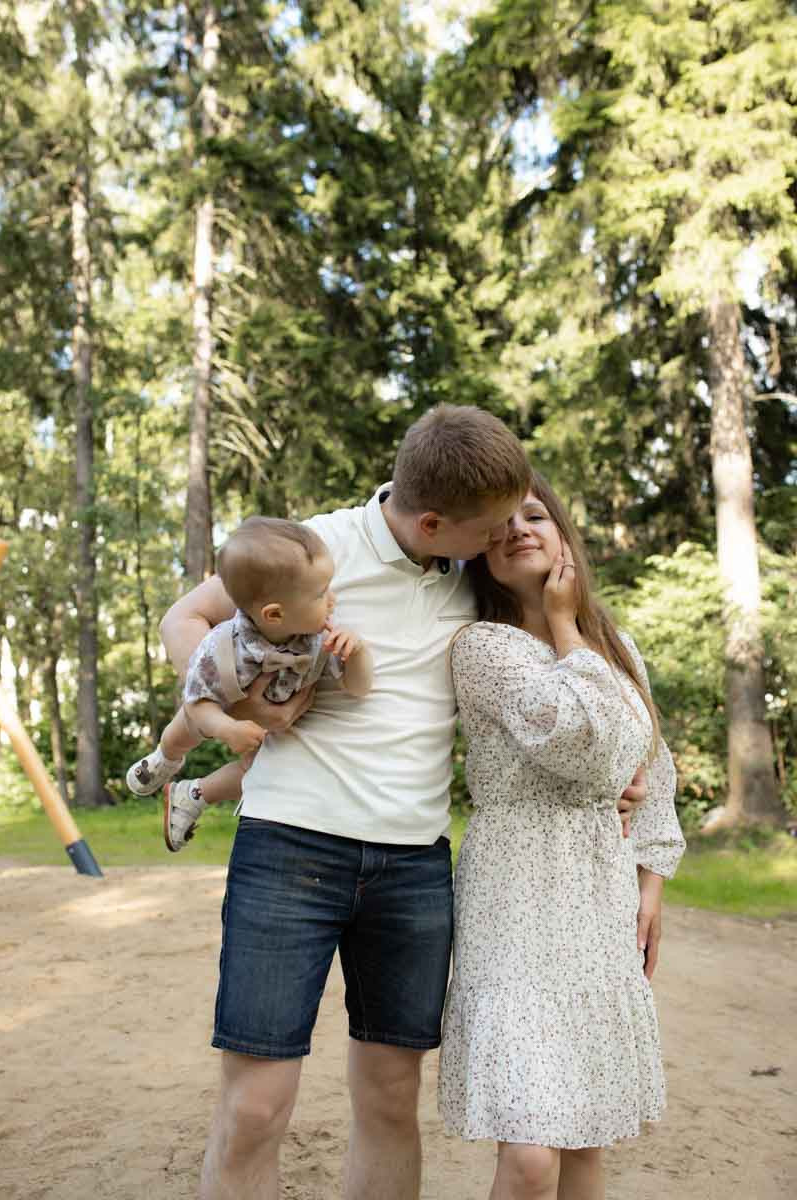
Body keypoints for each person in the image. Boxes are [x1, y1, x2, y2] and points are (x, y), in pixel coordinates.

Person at [157, 405, 648, 1200]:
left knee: (390, 1098)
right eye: (487, 528)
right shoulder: (317, 549)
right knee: (256, 1107)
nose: (500, 541)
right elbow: (186, 618)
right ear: (431, 521)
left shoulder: (473, 583)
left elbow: (553, 695)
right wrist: (237, 710)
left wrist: (611, 779)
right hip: (291, 845)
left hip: (414, 867)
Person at [437, 472, 686, 1200]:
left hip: (599, 891)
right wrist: (568, 627)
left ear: (565, 535)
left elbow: (651, 767)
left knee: (584, 1137)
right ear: (480, 554)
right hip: (514, 893)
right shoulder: (484, 649)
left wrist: (652, 880)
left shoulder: (620, 648)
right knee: (532, 1154)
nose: (519, 529)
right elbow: (583, 744)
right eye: (501, 525)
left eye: (536, 516)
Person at [126, 517, 373, 852]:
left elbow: (358, 688)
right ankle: (166, 758)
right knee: (185, 727)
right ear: (274, 615)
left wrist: (356, 653)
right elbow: (198, 702)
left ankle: (191, 795)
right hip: (218, 705)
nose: (333, 600)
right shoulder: (223, 646)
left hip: (272, 727)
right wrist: (226, 727)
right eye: (320, 594)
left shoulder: (317, 640)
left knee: (254, 772)